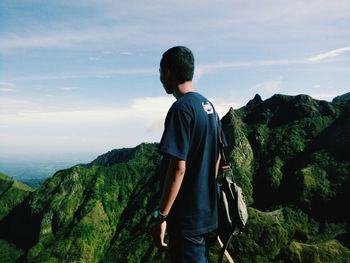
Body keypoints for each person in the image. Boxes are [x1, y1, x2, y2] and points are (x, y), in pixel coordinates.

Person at [152, 46, 226, 262]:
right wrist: (203, 189)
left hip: (187, 218)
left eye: (160, 72)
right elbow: (218, 157)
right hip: (206, 212)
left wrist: (162, 216)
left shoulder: (181, 109)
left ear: (169, 72)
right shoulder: (208, 107)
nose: (160, 78)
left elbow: (178, 167)